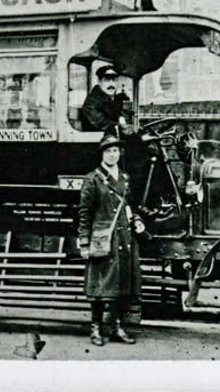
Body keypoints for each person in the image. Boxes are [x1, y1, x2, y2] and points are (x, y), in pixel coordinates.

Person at [77, 134, 146, 346]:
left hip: (123, 238)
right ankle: (95, 329)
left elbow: (129, 206)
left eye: (115, 150)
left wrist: (137, 220)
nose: (113, 154)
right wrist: (84, 242)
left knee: (119, 286)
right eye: (108, 151)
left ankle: (117, 327)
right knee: (100, 287)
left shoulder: (124, 178)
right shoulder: (93, 179)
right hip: (103, 239)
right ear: (102, 154)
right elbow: (84, 212)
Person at [80, 64, 136, 136]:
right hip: (96, 142)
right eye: (107, 80)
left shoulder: (112, 100)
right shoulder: (91, 102)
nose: (111, 84)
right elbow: (102, 123)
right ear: (99, 81)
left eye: (114, 80)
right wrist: (125, 128)